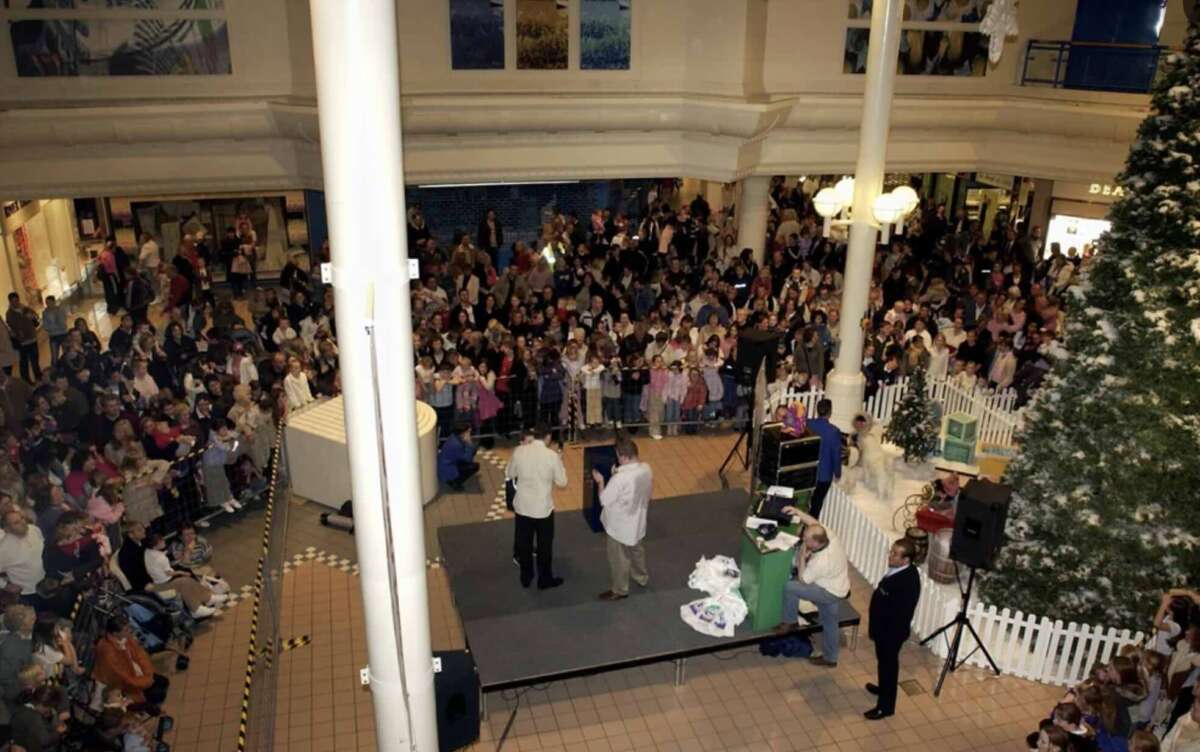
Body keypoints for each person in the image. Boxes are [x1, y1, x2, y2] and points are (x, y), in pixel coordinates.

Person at [774, 507, 850, 668]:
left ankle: (790, 621)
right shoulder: (830, 536)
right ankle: (830, 658)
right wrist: (796, 512)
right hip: (839, 587)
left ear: (816, 543)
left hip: (827, 591)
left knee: (790, 587)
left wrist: (802, 556)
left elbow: (803, 579)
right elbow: (813, 522)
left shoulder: (821, 562)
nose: (803, 540)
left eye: (806, 540)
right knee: (830, 623)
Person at [864, 537, 921, 720]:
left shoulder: (908, 581)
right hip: (883, 629)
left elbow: (899, 613)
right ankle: (883, 688)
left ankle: (886, 706)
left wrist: (882, 632)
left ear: (906, 560)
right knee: (883, 663)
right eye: (891, 551)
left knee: (889, 666)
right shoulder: (899, 569)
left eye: (895, 554)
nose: (890, 556)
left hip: (890, 633)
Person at [504, 424, 567, 590]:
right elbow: (562, 482)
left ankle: (526, 576)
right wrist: (560, 462)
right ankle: (544, 579)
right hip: (542, 509)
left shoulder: (519, 451)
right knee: (544, 545)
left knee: (524, 543)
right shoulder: (551, 456)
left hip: (522, 506)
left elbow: (510, 474)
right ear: (548, 438)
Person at [593, 436, 652, 601]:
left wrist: (601, 482)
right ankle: (641, 577)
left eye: (618, 456)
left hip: (619, 527)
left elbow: (604, 500)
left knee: (619, 559)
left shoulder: (619, 479)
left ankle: (620, 589)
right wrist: (617, 473)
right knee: (637, 551)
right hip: (638, 521)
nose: (617, 459)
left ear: (624, 457)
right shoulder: (646, 468)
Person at [806, 398, 843, 520]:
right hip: (824, 474)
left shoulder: (808, 423)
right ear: (830, 412)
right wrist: (837, 473)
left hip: (808, 469)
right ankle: (810, 525)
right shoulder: (834, 432)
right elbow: (836, 455)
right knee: (816, 504)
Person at [5, 293, 40, 384]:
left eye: (16, 300)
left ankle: (38, 376)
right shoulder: (9, 313)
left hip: (32, 338)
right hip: (22, 342)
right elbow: (13, 326)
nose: (15, 303)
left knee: (35, 359)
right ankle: (26, 380)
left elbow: (36, 316)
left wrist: (32, 316)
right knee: (24, 362)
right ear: (10, 302)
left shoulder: (25, 308)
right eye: (13, 301)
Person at [437, 423, 480, 492]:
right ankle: (455, 482)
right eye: (468, 431)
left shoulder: (454, 437)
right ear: (463, 433)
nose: (470, 432)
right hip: (448, 472)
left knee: (473, 451)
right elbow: (468, 459)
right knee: (475, 466)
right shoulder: (456, 444)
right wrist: (469, 443)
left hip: (446, 464)